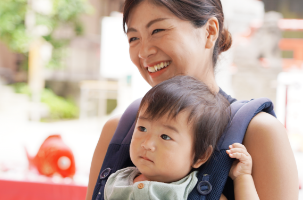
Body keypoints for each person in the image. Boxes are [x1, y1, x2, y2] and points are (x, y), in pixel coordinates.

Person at [86, 0, 299, 200]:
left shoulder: (258, 132)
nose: (144, 51)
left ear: (210, 32)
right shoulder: (120, 128)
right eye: (133, 38)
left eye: (158, 30)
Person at [104, 75, 259, 200]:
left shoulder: (196, 192)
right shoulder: (117, 179)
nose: (147, 144)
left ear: (201, 156)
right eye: (142, 128)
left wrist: (242, 177)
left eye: (165, 136)